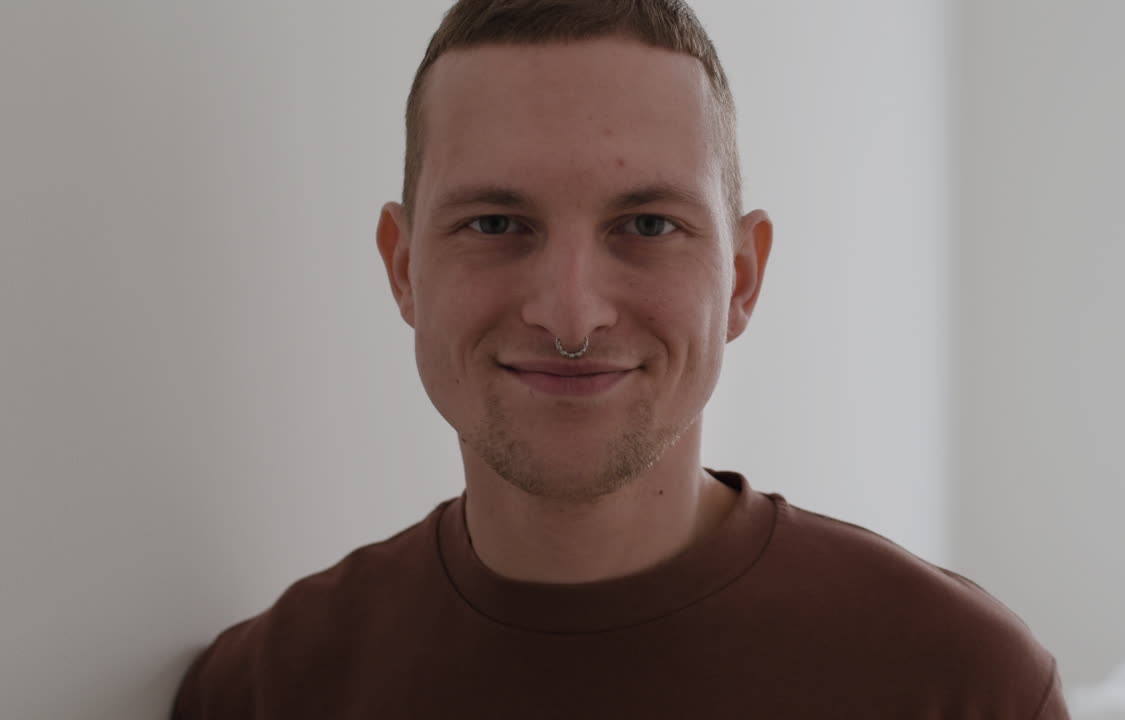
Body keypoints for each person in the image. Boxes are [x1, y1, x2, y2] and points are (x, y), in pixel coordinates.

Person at [171, 0, 1070, 717]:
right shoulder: (267, 689)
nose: (571, 315)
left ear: (743, 278)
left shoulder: (959, 683)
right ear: (404, 269)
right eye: (496, 223)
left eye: (647, 225)